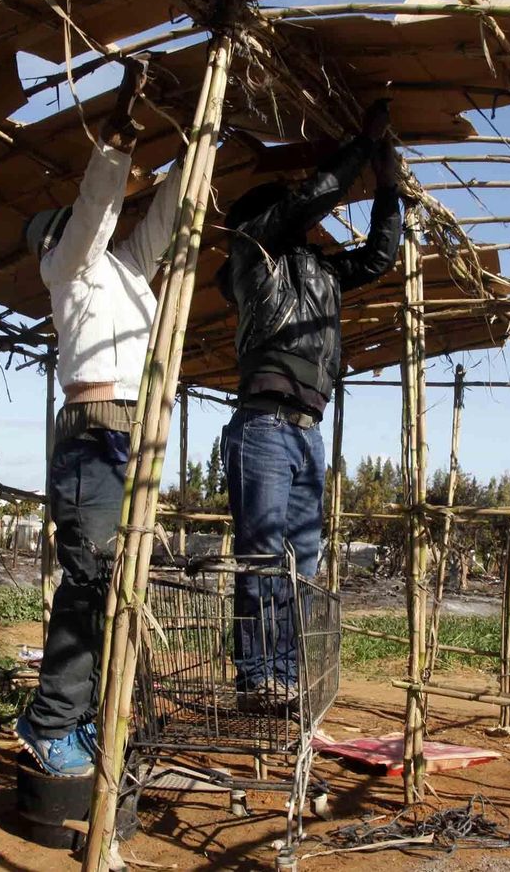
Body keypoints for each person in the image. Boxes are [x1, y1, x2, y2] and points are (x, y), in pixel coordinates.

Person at [14, 60, 184, 777]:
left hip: (132, 437)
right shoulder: (69, 267)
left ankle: (83, 718)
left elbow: (168, 216)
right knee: (88, 584)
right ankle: (50, 724)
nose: (80, 233)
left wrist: (205, 147)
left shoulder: (125, 274)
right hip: (94, 430)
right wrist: (121, 120)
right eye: (69, 230)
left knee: (115, 587)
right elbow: (98, 205)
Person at [217, 100, 403, 711]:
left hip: (306, 430)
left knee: (303, 563)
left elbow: (377, 258)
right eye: (280, 209)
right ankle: (256, 679)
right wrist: (359, 146)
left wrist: (389, 190)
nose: (294, 216)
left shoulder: (320, 271)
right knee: (264, 554)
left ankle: (285, 676)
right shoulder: (251, 253)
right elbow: (306, 202)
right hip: (264, 424)